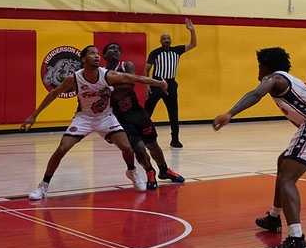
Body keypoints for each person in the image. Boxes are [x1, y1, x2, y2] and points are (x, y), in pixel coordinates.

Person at [213, 47, 306, 248]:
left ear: (267, 66)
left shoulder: (275, 78)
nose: (258, 69)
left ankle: (296, 239)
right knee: (284, 162)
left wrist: (230, 113)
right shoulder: (287, 78)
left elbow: (255, 94)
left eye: (260, 65)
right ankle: (274, 217)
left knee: (287, 179)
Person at [21, 45, 168, 199]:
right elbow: (53, 94)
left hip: (105, 117)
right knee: (62, 148)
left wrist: (159, 83)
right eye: (92, 54)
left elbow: (135, 78)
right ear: (84, 59)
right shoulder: (74, 78)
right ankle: (43, 187)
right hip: (84, 118)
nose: (97, 56)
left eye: (98, 54)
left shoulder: (107, 75)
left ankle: (132, 172)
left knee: (128, 148)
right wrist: (34, 116)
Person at [102, 43, 185, 188]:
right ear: (104, 55)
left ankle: (164, 170)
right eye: (111, 48)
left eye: (118, 48)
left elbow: (130, 84)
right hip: (120, 117)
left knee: (153, 144)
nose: (115, 50)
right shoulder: (101, 73)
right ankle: (149, 171)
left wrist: (110, 88)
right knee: (139, 149)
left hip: (136, 112)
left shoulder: (127, 65)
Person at [144, 18, 197, 148]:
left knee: (173, 113)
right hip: (156, 84)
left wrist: (192, 31)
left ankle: (175, 139)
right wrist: (146, 86)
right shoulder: (155, 53)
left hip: (171, 85)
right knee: (147, 112)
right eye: (164, 38)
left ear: (170, 41)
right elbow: (146, 69)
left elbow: (193, 44)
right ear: (160, 41)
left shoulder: (176, 51)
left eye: (168, 38)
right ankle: (140, 135)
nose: (167, 40)